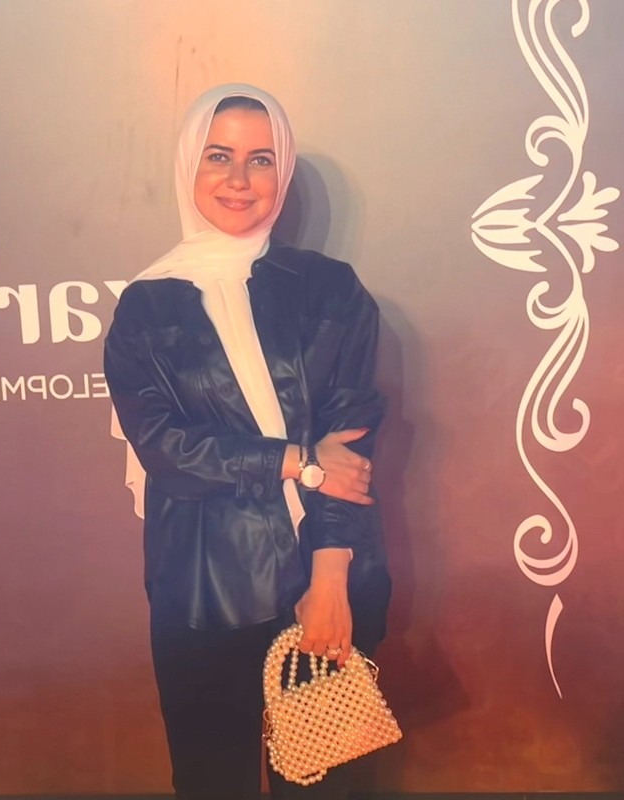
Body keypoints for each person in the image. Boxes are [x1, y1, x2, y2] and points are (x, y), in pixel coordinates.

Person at [104, 83, 391, 800]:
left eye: (260, 158)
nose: (238, 178)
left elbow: (350, 437)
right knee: (212, 783)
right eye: (218, 156)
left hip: (323, 579)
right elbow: (168, 450)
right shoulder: (146, 304)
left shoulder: (329, 289)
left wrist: (329, 582)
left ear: (281, 171)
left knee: (327, 781)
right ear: (188, 165)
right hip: (202, 594)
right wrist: (298, 462)